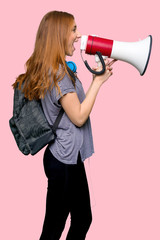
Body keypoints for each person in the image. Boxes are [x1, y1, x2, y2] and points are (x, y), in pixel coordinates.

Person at [13, 11, 116, 240]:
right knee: (53, 229)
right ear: (59, 35)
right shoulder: (59, 73)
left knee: (81, 218)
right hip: (64, 160)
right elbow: (78, 116)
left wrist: (94, 78)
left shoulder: (56, 67)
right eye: (73, 30)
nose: (78, 35)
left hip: (69, 157)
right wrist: (98, 83)